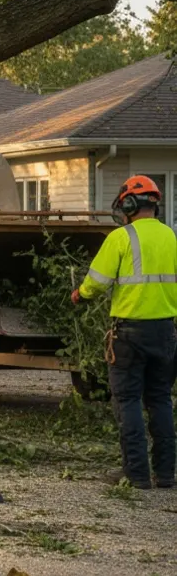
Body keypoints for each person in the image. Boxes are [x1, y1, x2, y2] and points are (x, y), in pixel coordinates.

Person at [73, 176, 177, 489]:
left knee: (128, 400)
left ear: (129, 205)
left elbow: (97, 282)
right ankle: (167, 474)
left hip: (130, 334)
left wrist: (80, 294)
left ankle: (136, 474)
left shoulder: (122, 237)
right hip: (166, 332)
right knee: (160, 401)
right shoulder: (172, 237)